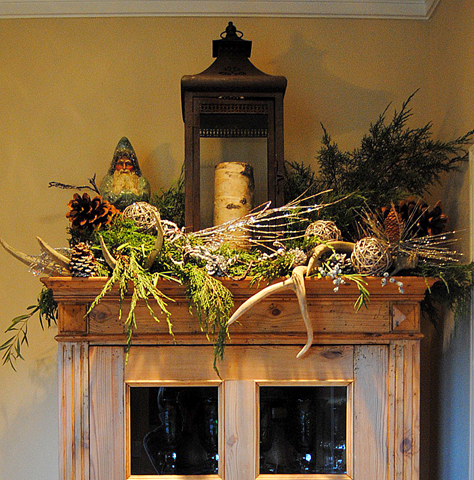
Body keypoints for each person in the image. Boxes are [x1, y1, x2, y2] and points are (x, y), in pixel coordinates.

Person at [100, 137, 151, 210]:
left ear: (133, 165)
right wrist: (131, 195)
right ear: (115, 165)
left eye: (127, 164)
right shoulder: (108, 181)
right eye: (120, 164)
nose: (124, 168)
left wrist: (119, 197)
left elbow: (144, 198)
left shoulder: (142, 181)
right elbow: (106, 199)